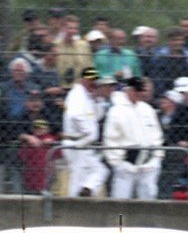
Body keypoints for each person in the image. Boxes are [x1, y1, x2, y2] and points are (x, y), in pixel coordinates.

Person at [103, 77, 163, 199]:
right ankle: (120, 216)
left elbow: (157, 135)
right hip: (126, 163)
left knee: (149, 199)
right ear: (128, 90)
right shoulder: (116, 111)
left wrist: (156, 158)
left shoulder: (147, 109)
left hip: (148, 163)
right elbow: (110, 138)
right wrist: (118, 162)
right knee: (121, 200)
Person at [61, 67, 109, 197]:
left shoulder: (87, 97)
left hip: (83, 143)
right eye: (90, 80)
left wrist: (98, 100)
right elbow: (74, 115)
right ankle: (76, 202)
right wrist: (87, 131)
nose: (93, 83)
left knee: (97, 172)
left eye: (95, 80)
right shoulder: (77, 94)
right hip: (76, 142)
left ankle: (86, 191)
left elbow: (96, 117)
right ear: (83, 80)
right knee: (81, 177)